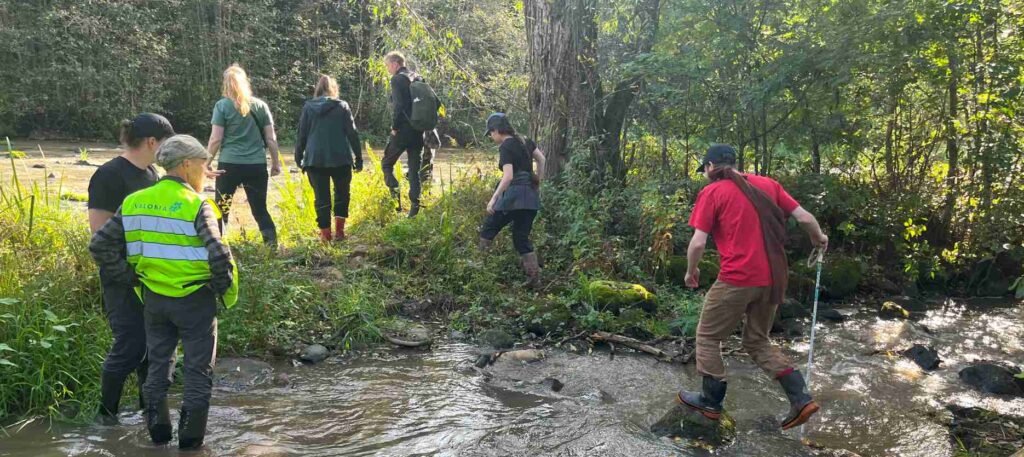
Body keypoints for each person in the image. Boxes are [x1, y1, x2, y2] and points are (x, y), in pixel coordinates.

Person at [89, 135, 239, 450]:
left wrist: (131, 277)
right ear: (186, 165)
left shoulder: (134, 202)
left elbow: (99, 245)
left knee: (157, 368)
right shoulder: (196, 204)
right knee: (199, 373)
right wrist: (220, 288)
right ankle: (191, 445)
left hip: (155, 300)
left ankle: (158, 440)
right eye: (202, 164)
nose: (204, 172)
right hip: (195, 299)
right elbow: (220, 254)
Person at [676, 144, 828, 431]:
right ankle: (801, 398)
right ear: (734, 164)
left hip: (737, 278)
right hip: (773, 278)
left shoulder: (712, 192)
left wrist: (691, 270)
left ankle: (710, 402)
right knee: (757, 341)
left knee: (708, 336)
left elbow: (697, 243)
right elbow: (805, 218)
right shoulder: (767, 184)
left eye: (705, 169)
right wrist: (819, 238)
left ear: (710, 167)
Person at [87, 113, 174, 424]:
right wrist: (125, 274)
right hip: (120, 277)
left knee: (152, 350)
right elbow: (98, 236)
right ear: (151, 142)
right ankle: (106, 416)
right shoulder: (109, 175)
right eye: (167, 144)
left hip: (151, 277)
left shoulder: (152, 174)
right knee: (129, 345)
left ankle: (146, 414)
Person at [206, 64, 282, 246]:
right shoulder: (261, 106)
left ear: (226, 84)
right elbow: (271, 138)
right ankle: (271, 247)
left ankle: (218, 247)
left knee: (221, 208)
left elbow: (216, 139)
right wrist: (276, 164)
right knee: (260, 210)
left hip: (229, 165)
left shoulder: (222, 106)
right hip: (256, 165)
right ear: (245, 83)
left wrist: (206, 162)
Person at [477, 113, 546, 288]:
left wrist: (493, 199)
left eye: (491, 133)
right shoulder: (525, 140)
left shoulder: (506, 146)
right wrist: (538, 180)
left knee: (489, 227)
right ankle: (534, 280)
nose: (491, 137)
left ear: (497, 130)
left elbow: (507, 177)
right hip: (530, 196)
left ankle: (478, 271)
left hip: (513, 196)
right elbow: (542, 159)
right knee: (521, 238)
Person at [294, 75, 364, 241]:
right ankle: (339, 233)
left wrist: (299, 157)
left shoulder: (308, 107)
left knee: (321, 198)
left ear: (318, 89)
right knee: (342, 194)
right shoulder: (342, 106)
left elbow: (301, 134)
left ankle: (325, 236)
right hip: (341, 158)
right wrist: (359, 158)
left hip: (315, 159)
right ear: (334, 89)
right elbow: (352, 134)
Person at [381, 51, 428, 218]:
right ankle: (414, 210)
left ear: (395, 63)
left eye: (388, 65)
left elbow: (399, 106)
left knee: (386, 164)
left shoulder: (397, 79)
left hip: (403, 131)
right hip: (418, 131)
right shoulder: (417, 77)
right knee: (414, 171)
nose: (388, 69)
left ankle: (396, 205)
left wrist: (394, 127)